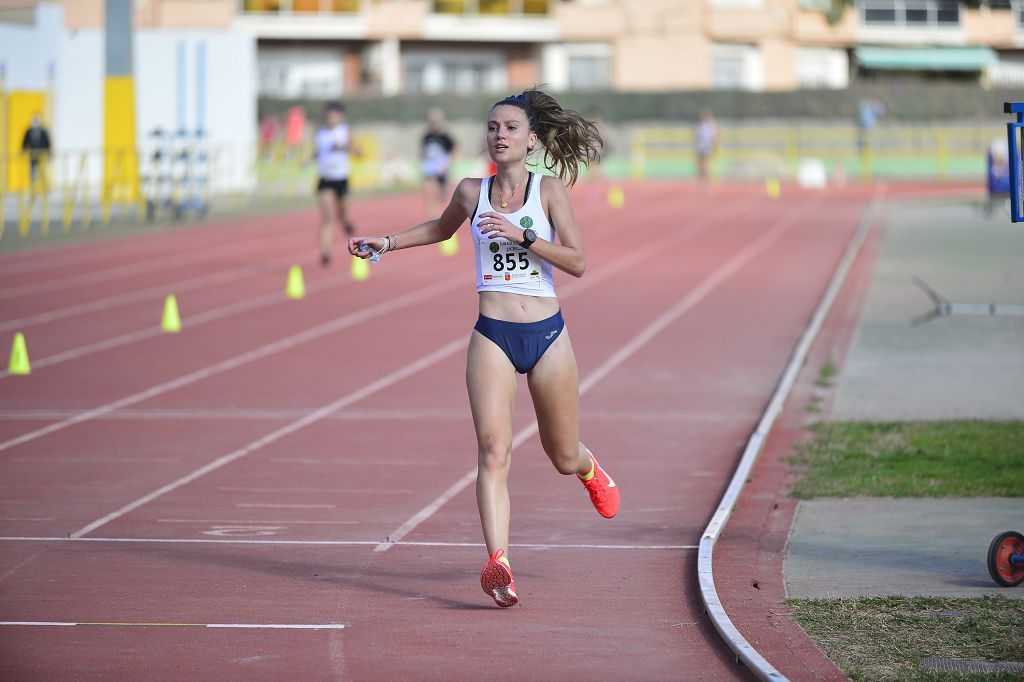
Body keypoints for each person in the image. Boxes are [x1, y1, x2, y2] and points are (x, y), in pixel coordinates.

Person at [349, 88, 620, 608]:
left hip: (546, 335)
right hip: (492, 335)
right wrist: (387, 242)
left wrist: (523, 237)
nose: (499, 135)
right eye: (493, 127)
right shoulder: (472, 191)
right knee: (494, 451)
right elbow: (439, 228)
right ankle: (500, 563)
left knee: (561, 454)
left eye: (511, 128)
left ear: (531, 139)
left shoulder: (550, 192)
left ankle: (589, 469)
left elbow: (578, 261)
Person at [314, 101, 361, 266]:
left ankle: (346, 222)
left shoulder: (345, 131)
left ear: (341, 117)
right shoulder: (320, 133)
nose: (331, 118)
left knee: (342, 214)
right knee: (326, 216)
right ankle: (325, 252)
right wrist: (307, 159)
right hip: (326, 179)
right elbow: (318, 151)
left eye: (334, 115)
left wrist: (345, 147)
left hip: (341, 178)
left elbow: (357, 150)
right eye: (328, 115)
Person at [421, 107, 457, 217]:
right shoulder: (426, 137)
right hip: (430, 167)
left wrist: (448, 163)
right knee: (430, 188)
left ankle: (442, 213)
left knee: (442, 195)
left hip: (442, 168)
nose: (434, 124)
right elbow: (423, 151)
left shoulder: (445, 137)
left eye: (436, 122)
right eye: (431, 122)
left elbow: (455, 150)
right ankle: (432, 213)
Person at [22, 114, 52, 190]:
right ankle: (33, 189)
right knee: (33, 173)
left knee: (42, 173)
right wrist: (23, 151)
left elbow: (47, 143)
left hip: (41, 156)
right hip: (33, 156)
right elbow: (24, 142)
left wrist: (49, 154)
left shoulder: (43, 132)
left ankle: (44, 189)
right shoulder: (29, 131)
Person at [694, 108, 718, 182]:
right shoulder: (700, 125)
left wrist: (713, 144)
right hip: (700, 145)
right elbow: (697, 136)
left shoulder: (711, 125)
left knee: (705, 161)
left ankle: (705, 175)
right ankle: (702, 175)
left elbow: (713, 136)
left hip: (706, 145)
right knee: (700, 161)